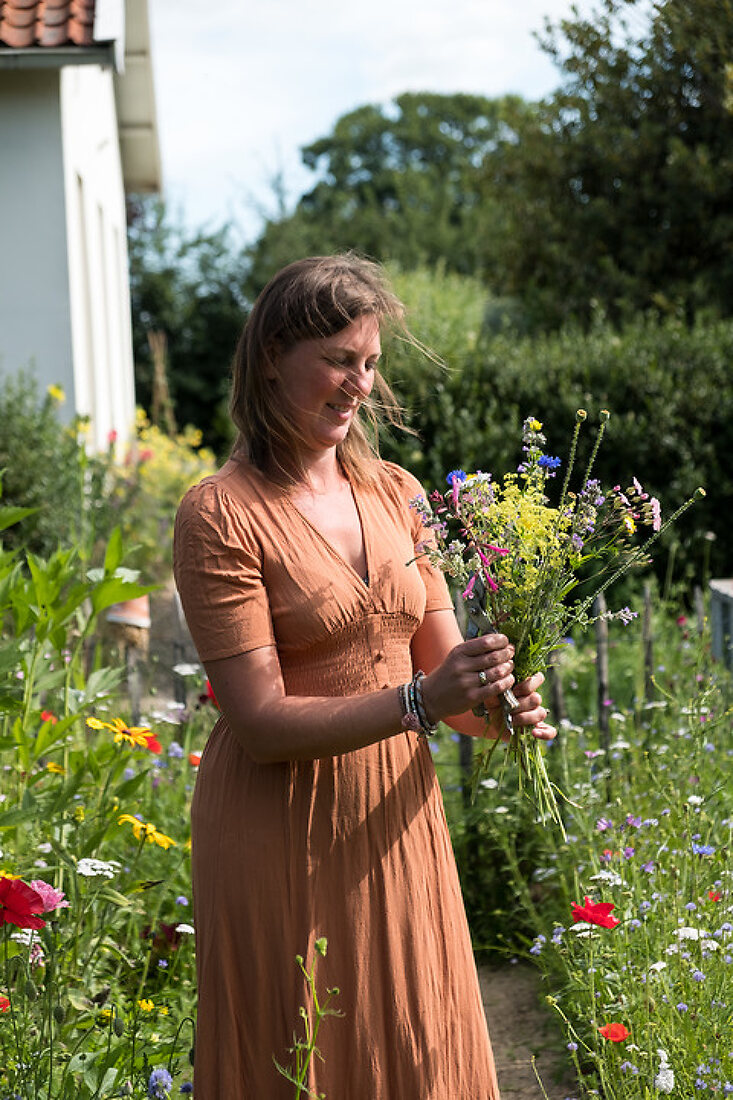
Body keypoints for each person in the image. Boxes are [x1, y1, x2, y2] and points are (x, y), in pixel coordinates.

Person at [173, 254, 556, 1099]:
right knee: (302, 1053)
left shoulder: (397, 492)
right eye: (339, 360)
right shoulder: (219, 512)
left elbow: (442, 680)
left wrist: (498, 707)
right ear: (272, 355)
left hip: (394, 814)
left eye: (370, 362)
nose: (359, 383)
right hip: (279, 828)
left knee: (416, 1044)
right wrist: (425, 700)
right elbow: (261, 721)